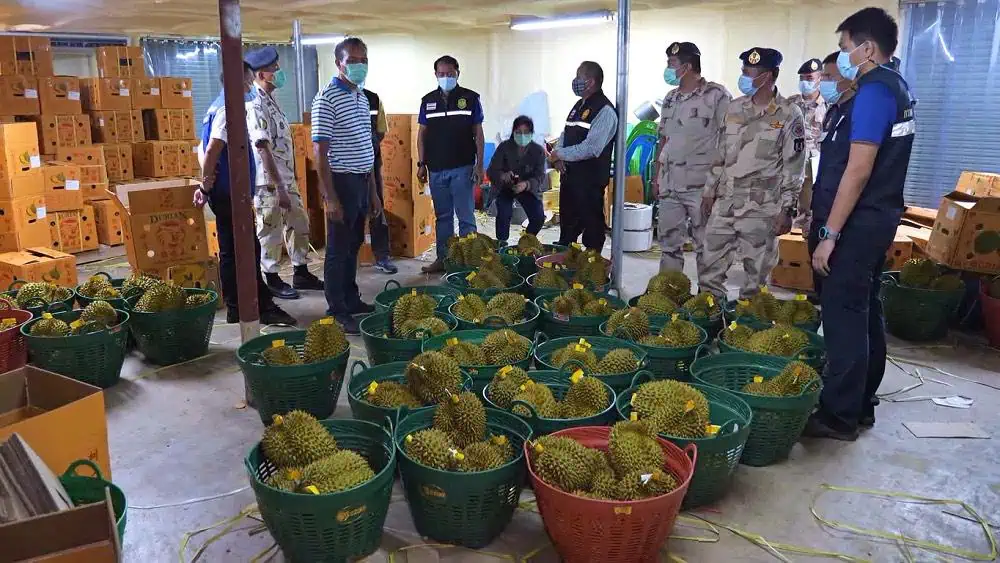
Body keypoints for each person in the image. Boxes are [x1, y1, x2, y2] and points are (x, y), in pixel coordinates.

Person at [805, 7, 915, 441]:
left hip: (857, 222)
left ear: (867, 48)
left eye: (845, 47)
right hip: (876, 218)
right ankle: (861, 403)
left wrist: (829, 235)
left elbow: (859, 169)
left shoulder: (873, 91)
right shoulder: (897, 88)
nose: (843, 56)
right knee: (865, 310)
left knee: (843, 315)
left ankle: (838, 415)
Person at [698, 47, 806, 299]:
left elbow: (795, 166)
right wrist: (708, 191)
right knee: (708, 268)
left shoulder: (789, 114)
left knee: (754, 280)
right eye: (743, 71)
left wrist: (787, 210)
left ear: (767, 76)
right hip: (725, 202)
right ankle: (712, 316)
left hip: (762, 208)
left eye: (748, 72)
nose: (743, 77)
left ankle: (747, 328)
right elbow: (720, 154)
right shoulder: (734, 109)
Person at [194, 65, 295, 326]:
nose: (251, 87)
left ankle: (236, 307)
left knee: (230, 251)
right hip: (230, 193)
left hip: (224, 191)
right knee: (248, 249)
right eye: (248, 82)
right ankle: (260, 306)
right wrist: (205, 186)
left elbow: (202, 147)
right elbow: (212, 150)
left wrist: (207, 186)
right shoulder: (229, 110)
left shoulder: (214, 107)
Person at [311, 37, 382, 333]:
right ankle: (336, 309)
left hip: (362, 180)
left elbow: (367, 146)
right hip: (341, 182)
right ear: (338, 63)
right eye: (352, 61)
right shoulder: (326, 99)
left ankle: (351, 299)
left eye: (363, 60)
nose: (359, 66)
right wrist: (330, 198)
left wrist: (374, 192)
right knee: (338, 249)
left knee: (353, 245)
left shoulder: (361, 97)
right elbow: (319, 152)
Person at [245, 46, 324, 299]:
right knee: (271, 231)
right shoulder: (255, 105)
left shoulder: (272, 101)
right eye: (274, 69)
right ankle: (272, 278)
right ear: (260, 74)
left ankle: (301, 271)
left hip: (286, 180)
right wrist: (278, 187)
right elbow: (263, 149)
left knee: (299, 224)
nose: (279, 72)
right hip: (270, 184)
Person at [653, 42, 731, 274]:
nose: (668, 68)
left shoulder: (717, 96)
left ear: (686, 67)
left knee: (706, 247)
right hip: (670, 185)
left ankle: (707, 300)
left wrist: (716, 185)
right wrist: (656, 177)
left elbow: (729, 142)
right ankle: (669, 293)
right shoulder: (670, 98)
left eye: (671, 64)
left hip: (701, 187)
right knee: (668, 245)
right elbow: (663, 139)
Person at [416, 55, 485, 274]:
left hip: (462, 168)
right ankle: (443, 260)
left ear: (458, 73)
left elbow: (479, 134)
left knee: (466, 218)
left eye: (450, 74)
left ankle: (468, 264)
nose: (446, 77)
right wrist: (421, 163)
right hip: (436, 170)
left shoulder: (470, 98)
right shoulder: (427, 101)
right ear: (435, 75)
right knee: (443, 218)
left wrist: (479, 165)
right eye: (441, 74)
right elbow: (421, 136)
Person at [549, 61, 618, 251]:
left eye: (579, 77)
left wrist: (559, 153)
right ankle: (565, 255)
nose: (575, 81)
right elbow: (566, 133)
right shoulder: (578, 106)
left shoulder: (605, 111)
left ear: (590, 81)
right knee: (568, 224)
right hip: (569, 177)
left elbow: (592, 148)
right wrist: (559, 158)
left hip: (589, 182)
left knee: (592, 228)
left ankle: (592, 265)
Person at [487, 116, 547, 244]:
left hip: (527, 188)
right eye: (518, 132)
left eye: (526, 133)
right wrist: (502, 176)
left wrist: (526, 184)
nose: (522, 136)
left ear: (532, 134)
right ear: (513, 132)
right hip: (505, 187)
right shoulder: (504, 147)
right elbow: (491, 171)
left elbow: (540, 176)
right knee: (504, 212)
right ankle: (502, 243)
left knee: (538, 216)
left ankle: (526, 241)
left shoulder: (538, 151)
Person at [788, 58, 828, 234]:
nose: (805, 82)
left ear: (820, 78)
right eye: (802, 78)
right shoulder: (789, 104)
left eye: (810, 78)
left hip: (814, 165)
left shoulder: (829, 106)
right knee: (786, 204)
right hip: (790, 162)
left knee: (809, 207)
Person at [362, 86, 398, 274]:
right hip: (346, 165)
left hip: (372, 160)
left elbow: (381, 130)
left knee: (376, 206)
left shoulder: (373, 98)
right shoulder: (331, 97)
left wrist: (371, 145)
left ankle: (382, 256)